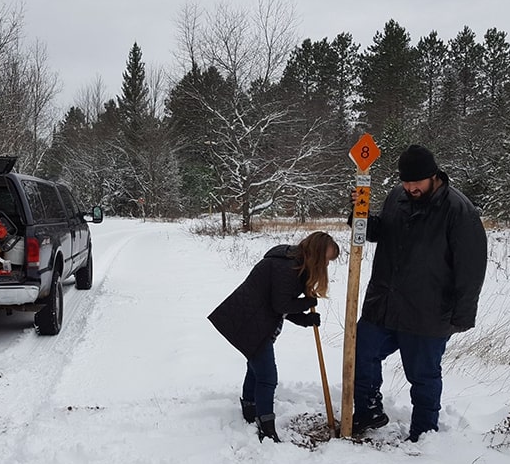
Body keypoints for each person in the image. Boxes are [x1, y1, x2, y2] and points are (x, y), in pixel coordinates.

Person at [350, 144, 487, 443]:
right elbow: (381, 233)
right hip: (385, 302)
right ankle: (368, 410)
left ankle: (424, 434)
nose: (411, 187)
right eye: (406, 181)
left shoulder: (458, 211)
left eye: (417, 182)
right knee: (360, 351)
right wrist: (359, 217)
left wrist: (460, 315)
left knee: (422, 376)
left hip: (428, 311)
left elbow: (472, 267)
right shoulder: (396, 198)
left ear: (434, 176)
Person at [208, 231, 340, 443]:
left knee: (256, 368)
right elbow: (280, 305)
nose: (326, 265)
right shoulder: (287, 268)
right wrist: (307, 304)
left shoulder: (294, 263)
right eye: (326, 259)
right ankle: (266, 428)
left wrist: (305, 319)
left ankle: (250, 409)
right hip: (248, 322)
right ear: (316, 253)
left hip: (252, 320)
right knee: (267, 377)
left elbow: (278, 304)